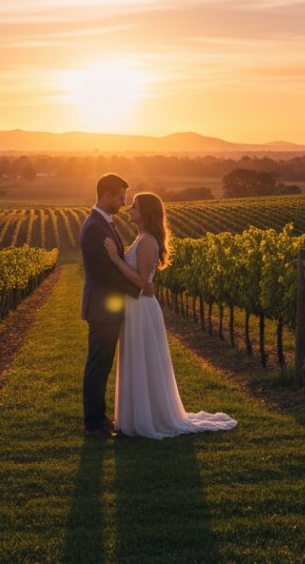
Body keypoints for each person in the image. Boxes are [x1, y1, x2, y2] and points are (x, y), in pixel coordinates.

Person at [102, 191, 237, 439]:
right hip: (135, 307)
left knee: (143, 361)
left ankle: (148, 419)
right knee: (138, 361)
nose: (129, 209)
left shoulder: (147, 242)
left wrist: (114, 259)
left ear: (146, 214)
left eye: (135, 206)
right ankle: (137, 416)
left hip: (141, 306)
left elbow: (143, 282)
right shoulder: (142, 237)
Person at [78, 173, 154, 440]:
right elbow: (103, 274)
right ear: (107, 195)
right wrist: (138, 288)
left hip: (106, 308)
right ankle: (93, 424)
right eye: (121, 197)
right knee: (98, 366)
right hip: (101, 308)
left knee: (102, 365)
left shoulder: (102, 223)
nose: (123, 203)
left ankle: (100, 419)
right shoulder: (95, 227)